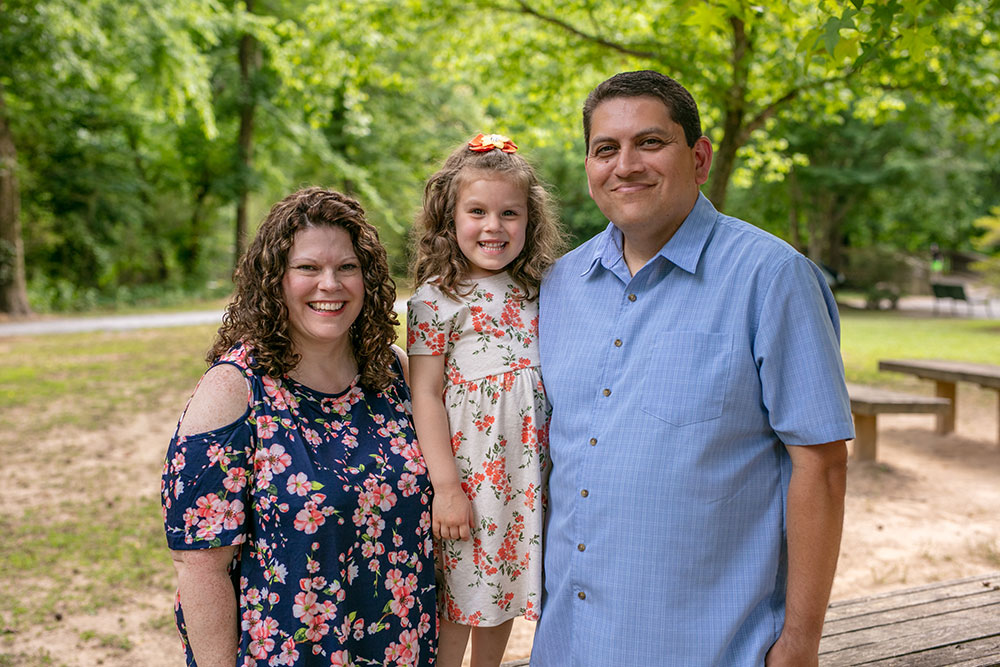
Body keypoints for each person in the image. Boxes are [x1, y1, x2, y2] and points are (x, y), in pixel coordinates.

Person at [531, 71, 855, 666]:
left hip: (713, 647)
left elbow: (823, 464)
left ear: (700, 158)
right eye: (606, 149)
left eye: (650, 143)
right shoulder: (557, 287)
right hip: (570, 644)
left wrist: (802, 642)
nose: (625, 164)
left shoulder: (773, 278)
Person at [161, 188, 436, 666]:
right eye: (308, 268)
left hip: (401, 650)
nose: (329, 284)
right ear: (275, 280)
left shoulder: (393, 373)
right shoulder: (234, 389)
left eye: (346, 268)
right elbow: (200, 567)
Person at [406, 134, 564, 667]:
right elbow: (424, 394)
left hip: (526, 480)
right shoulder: (436, 298)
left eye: (509, 213)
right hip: (472, 478)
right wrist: (446, 486)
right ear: (449, 218)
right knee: (461, 596)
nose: (493, 226)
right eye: (477, 211)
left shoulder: (541, 291)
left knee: (502, 595)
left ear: (530, 221)